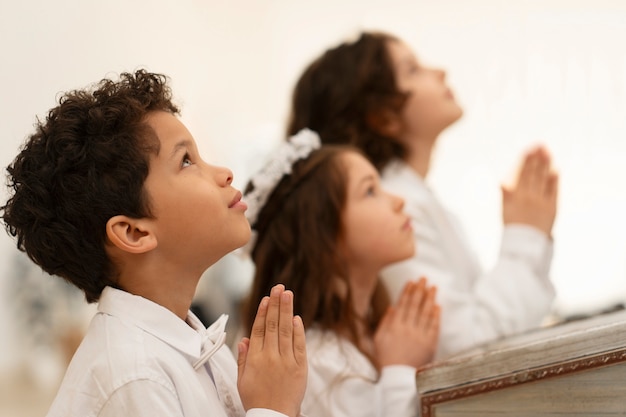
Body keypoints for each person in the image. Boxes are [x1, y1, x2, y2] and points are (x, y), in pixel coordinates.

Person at [0, 69, 307, 417]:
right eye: (187, 161)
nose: (224, 173)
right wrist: (273, 408)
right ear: (135, 233)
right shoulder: (135, 377)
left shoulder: (190, 345)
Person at [286, 31, 559, 360]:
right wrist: (524, 237)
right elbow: (460, 347)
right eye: (412, 70)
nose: (441, 71)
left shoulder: (408, 196)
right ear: (382, 117)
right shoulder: (396, 208)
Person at [240, 128, 440, 417]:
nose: (398, 201)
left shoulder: (367, 335)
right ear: (324, 236)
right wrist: (400, 369)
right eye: (370, 191)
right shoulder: (323, 364)